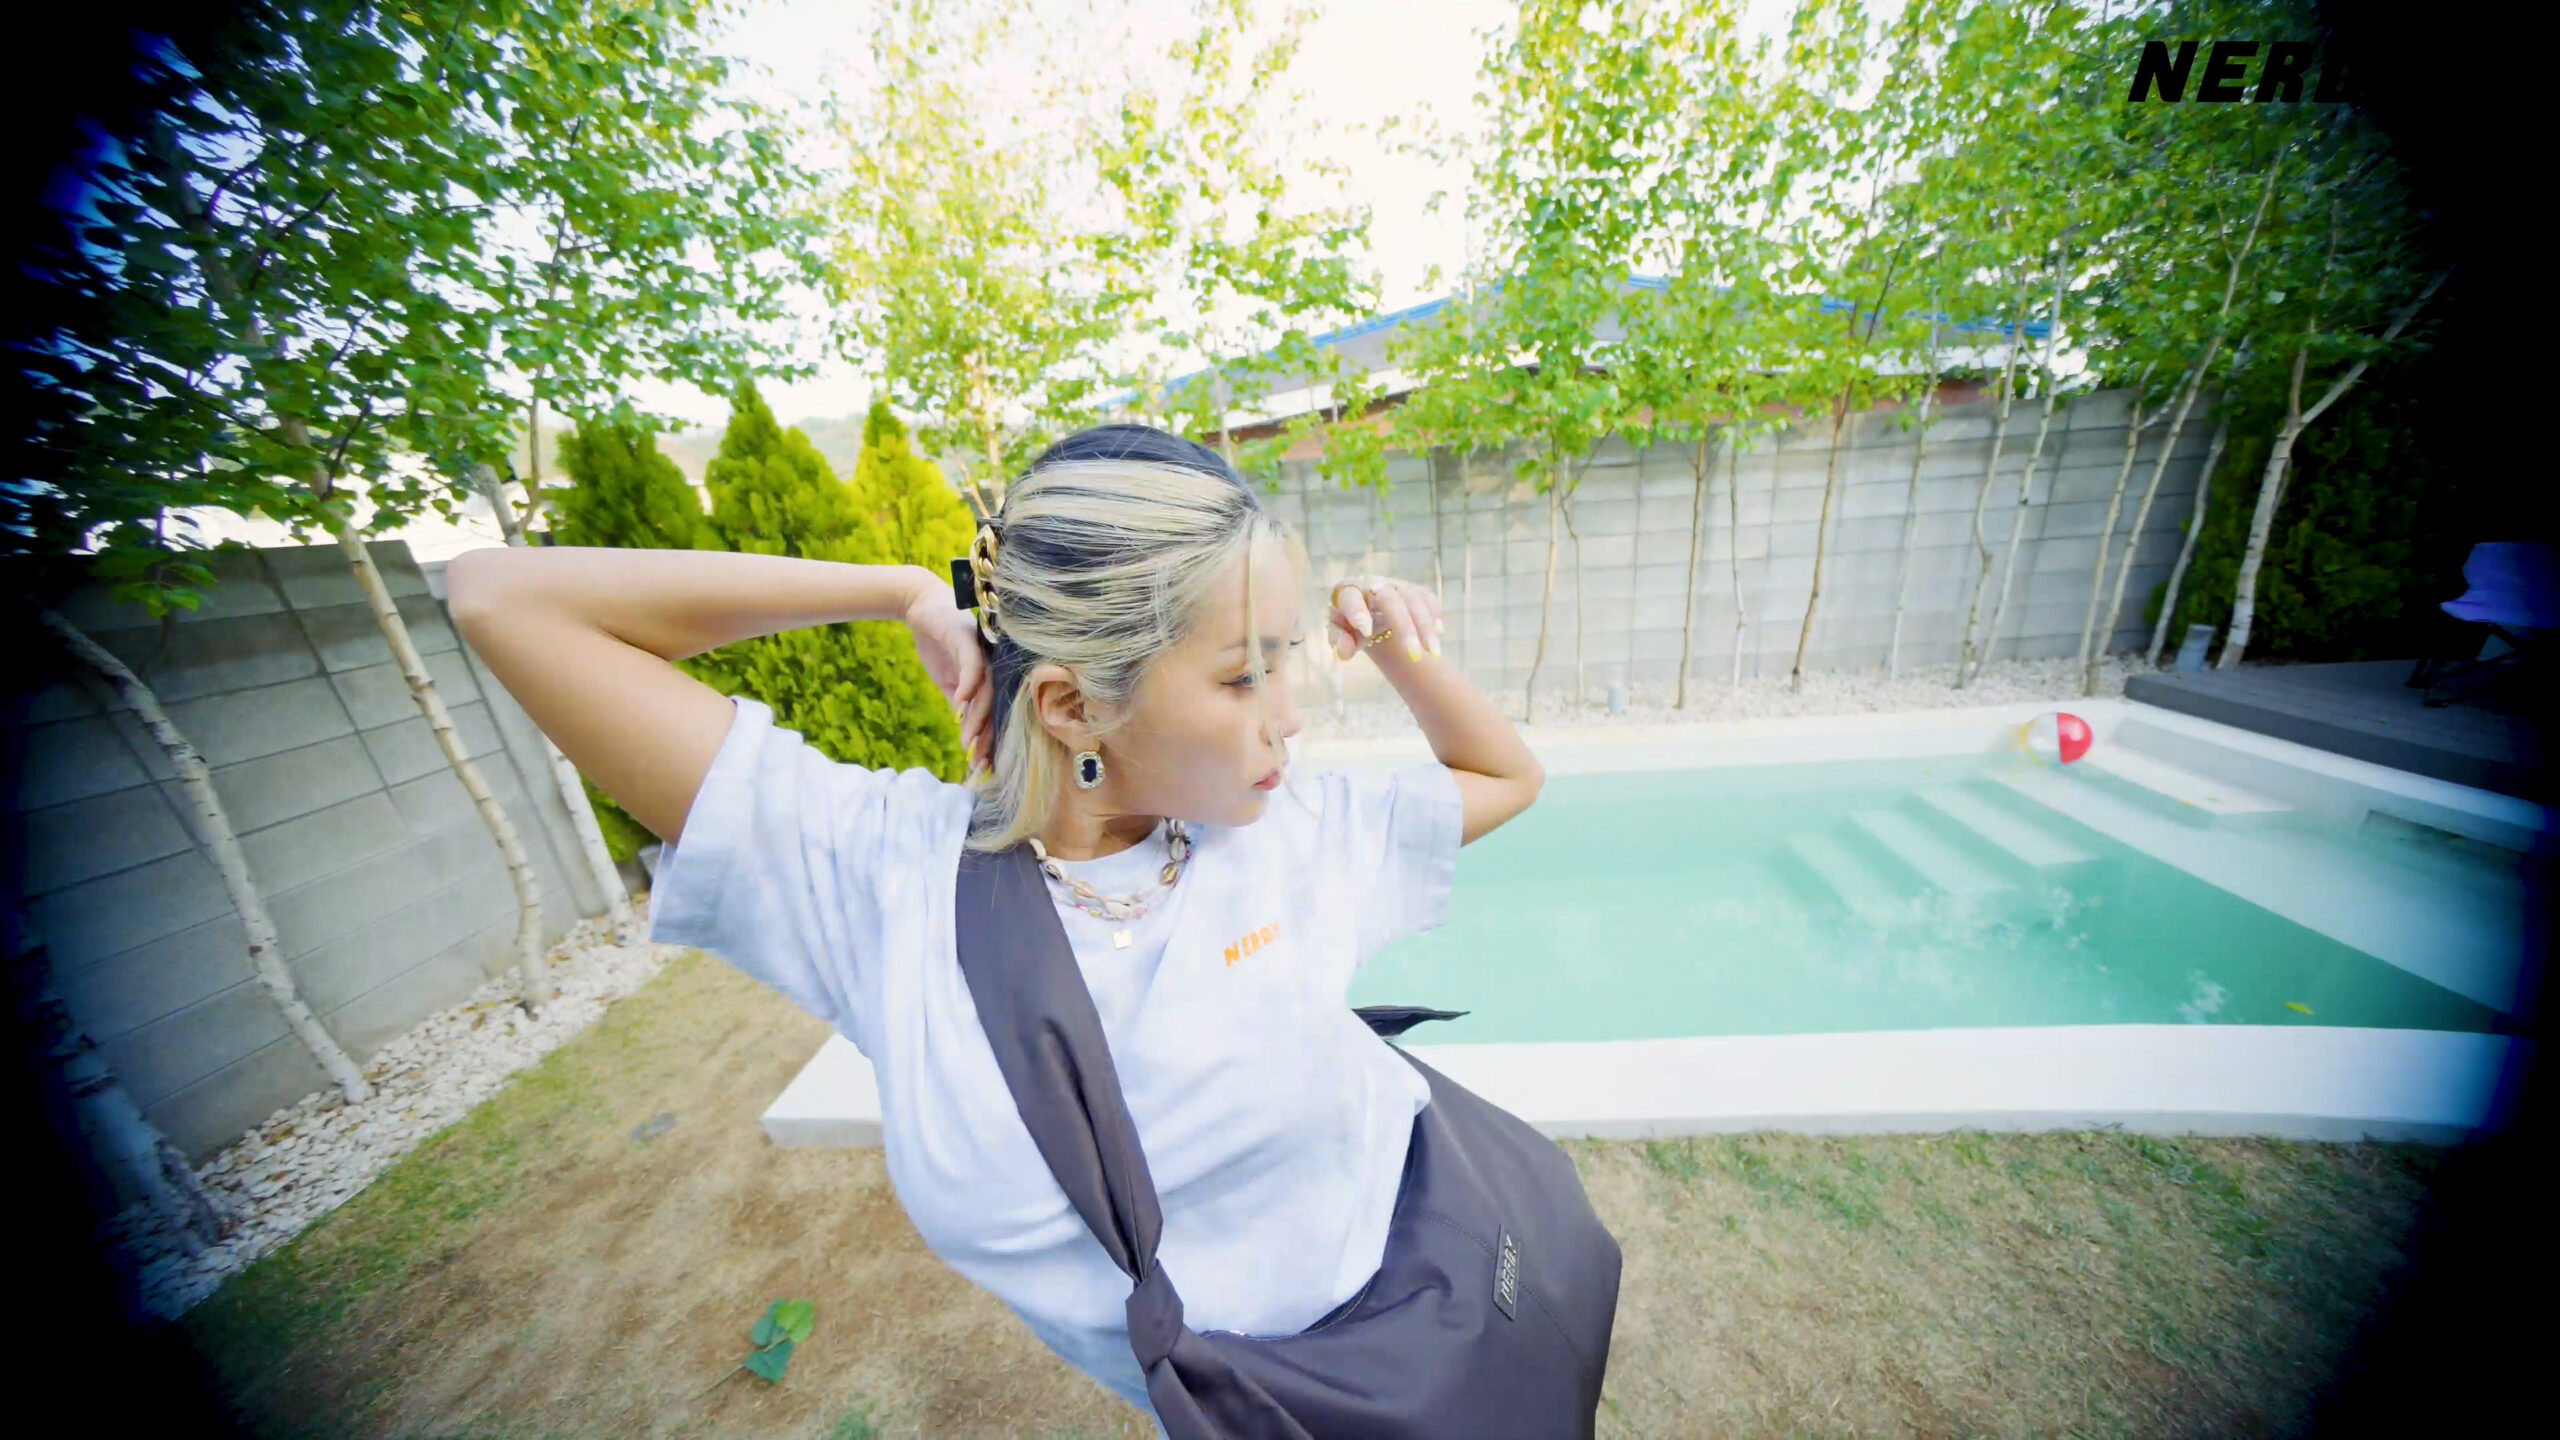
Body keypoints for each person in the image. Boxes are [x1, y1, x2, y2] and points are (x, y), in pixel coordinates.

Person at [446, 424, 1549, 1430]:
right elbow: (501, 599)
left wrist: (1400, 647)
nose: (1289, 716)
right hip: (1252, 1413)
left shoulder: (1288, 828)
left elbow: (1505, 776)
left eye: (1284, 658)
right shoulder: (880, 874)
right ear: (1072, 706)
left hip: (1441, 1308)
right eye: (1242, 675)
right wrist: (901, 591)